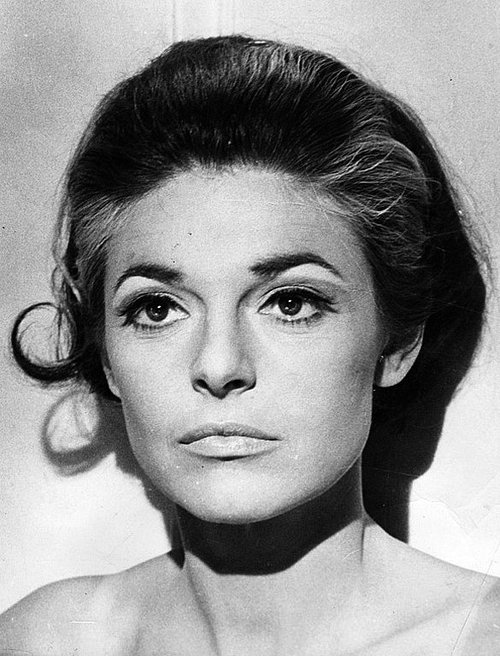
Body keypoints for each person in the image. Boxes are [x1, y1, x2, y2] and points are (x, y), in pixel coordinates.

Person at [1, 35, 498, 655]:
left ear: (396, 342)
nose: (219, 366)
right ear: (105, 354)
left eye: (291, 303)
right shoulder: (42, 641)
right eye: (157, 309)